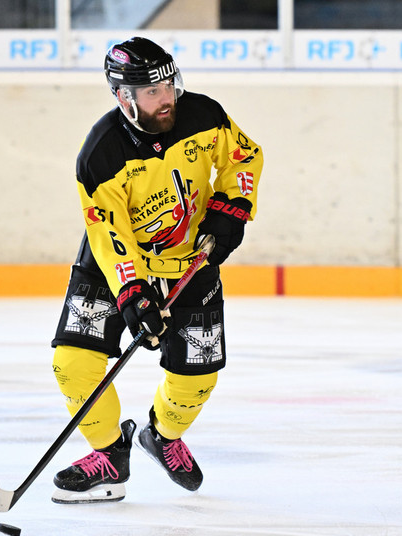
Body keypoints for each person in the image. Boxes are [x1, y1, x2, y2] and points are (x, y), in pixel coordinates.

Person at [48, 37, 263, 504]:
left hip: (191, 258)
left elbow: (244, 156)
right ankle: (108, 455)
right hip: (117, 264)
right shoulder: (99, 155)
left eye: (168, 84)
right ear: (123, 96)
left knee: (197, 377)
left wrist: (232, 208)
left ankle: (161, 437)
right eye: (151, 91)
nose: (166, 97)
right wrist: (133, 293)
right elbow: (108, 235)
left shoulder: (204, 116)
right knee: (73, 361)